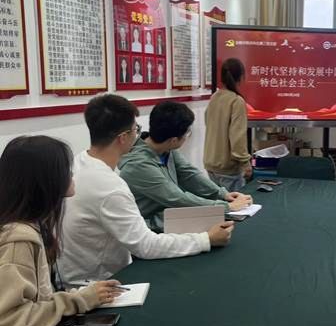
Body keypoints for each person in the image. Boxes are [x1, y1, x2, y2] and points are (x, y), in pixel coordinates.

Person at [58, 94, 234, 283]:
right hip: (102, 282)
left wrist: (221, 197)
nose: (138, 136)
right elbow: (146, 245)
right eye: (136, 129)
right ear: (123, 138)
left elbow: (189, 174)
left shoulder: (79, 162)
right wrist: (206, 239)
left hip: (81, 274)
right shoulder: (111, 187)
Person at [0, 136, 122, 326]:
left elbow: (37, 298)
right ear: (46, 179)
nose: (71, 174)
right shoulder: (17, 240)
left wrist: (82, 295)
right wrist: (79, 300)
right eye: (66, 169)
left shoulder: (31, 224)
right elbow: (7, 322)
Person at [119, 101, 252, 231]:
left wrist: (222, 194)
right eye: (187, 133)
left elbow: (189, 174)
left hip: (167, 217)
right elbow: (177, 198)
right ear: (174, 140)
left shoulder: (165, 148)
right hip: (148, 228)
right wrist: (226, 207)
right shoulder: (138, 165)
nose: (188, 135)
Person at [204, 58, 252, 191]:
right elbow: (237, 137)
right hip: (227, 167)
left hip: (210, 163)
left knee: (219, 202)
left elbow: (208, 123)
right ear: (241, 77)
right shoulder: (236, 101)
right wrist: (245, 163)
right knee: (235, 202)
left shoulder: (214, 97)